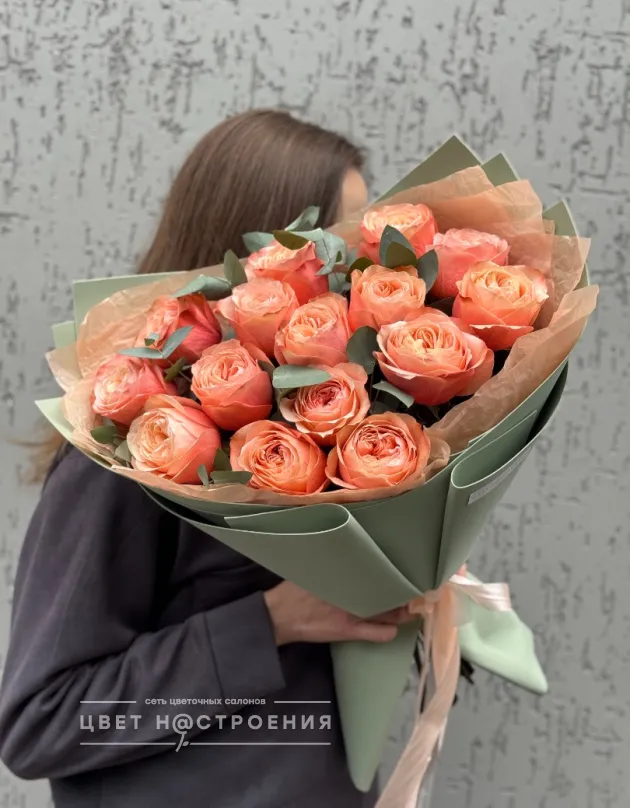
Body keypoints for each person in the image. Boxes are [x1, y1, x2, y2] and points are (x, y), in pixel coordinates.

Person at [0, 110, 412, 808]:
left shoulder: (338, 430)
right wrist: (271, 621)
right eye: (333, 245)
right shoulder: (131, 453)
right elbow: (42, 722)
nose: (356, 269)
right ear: (251, 258)